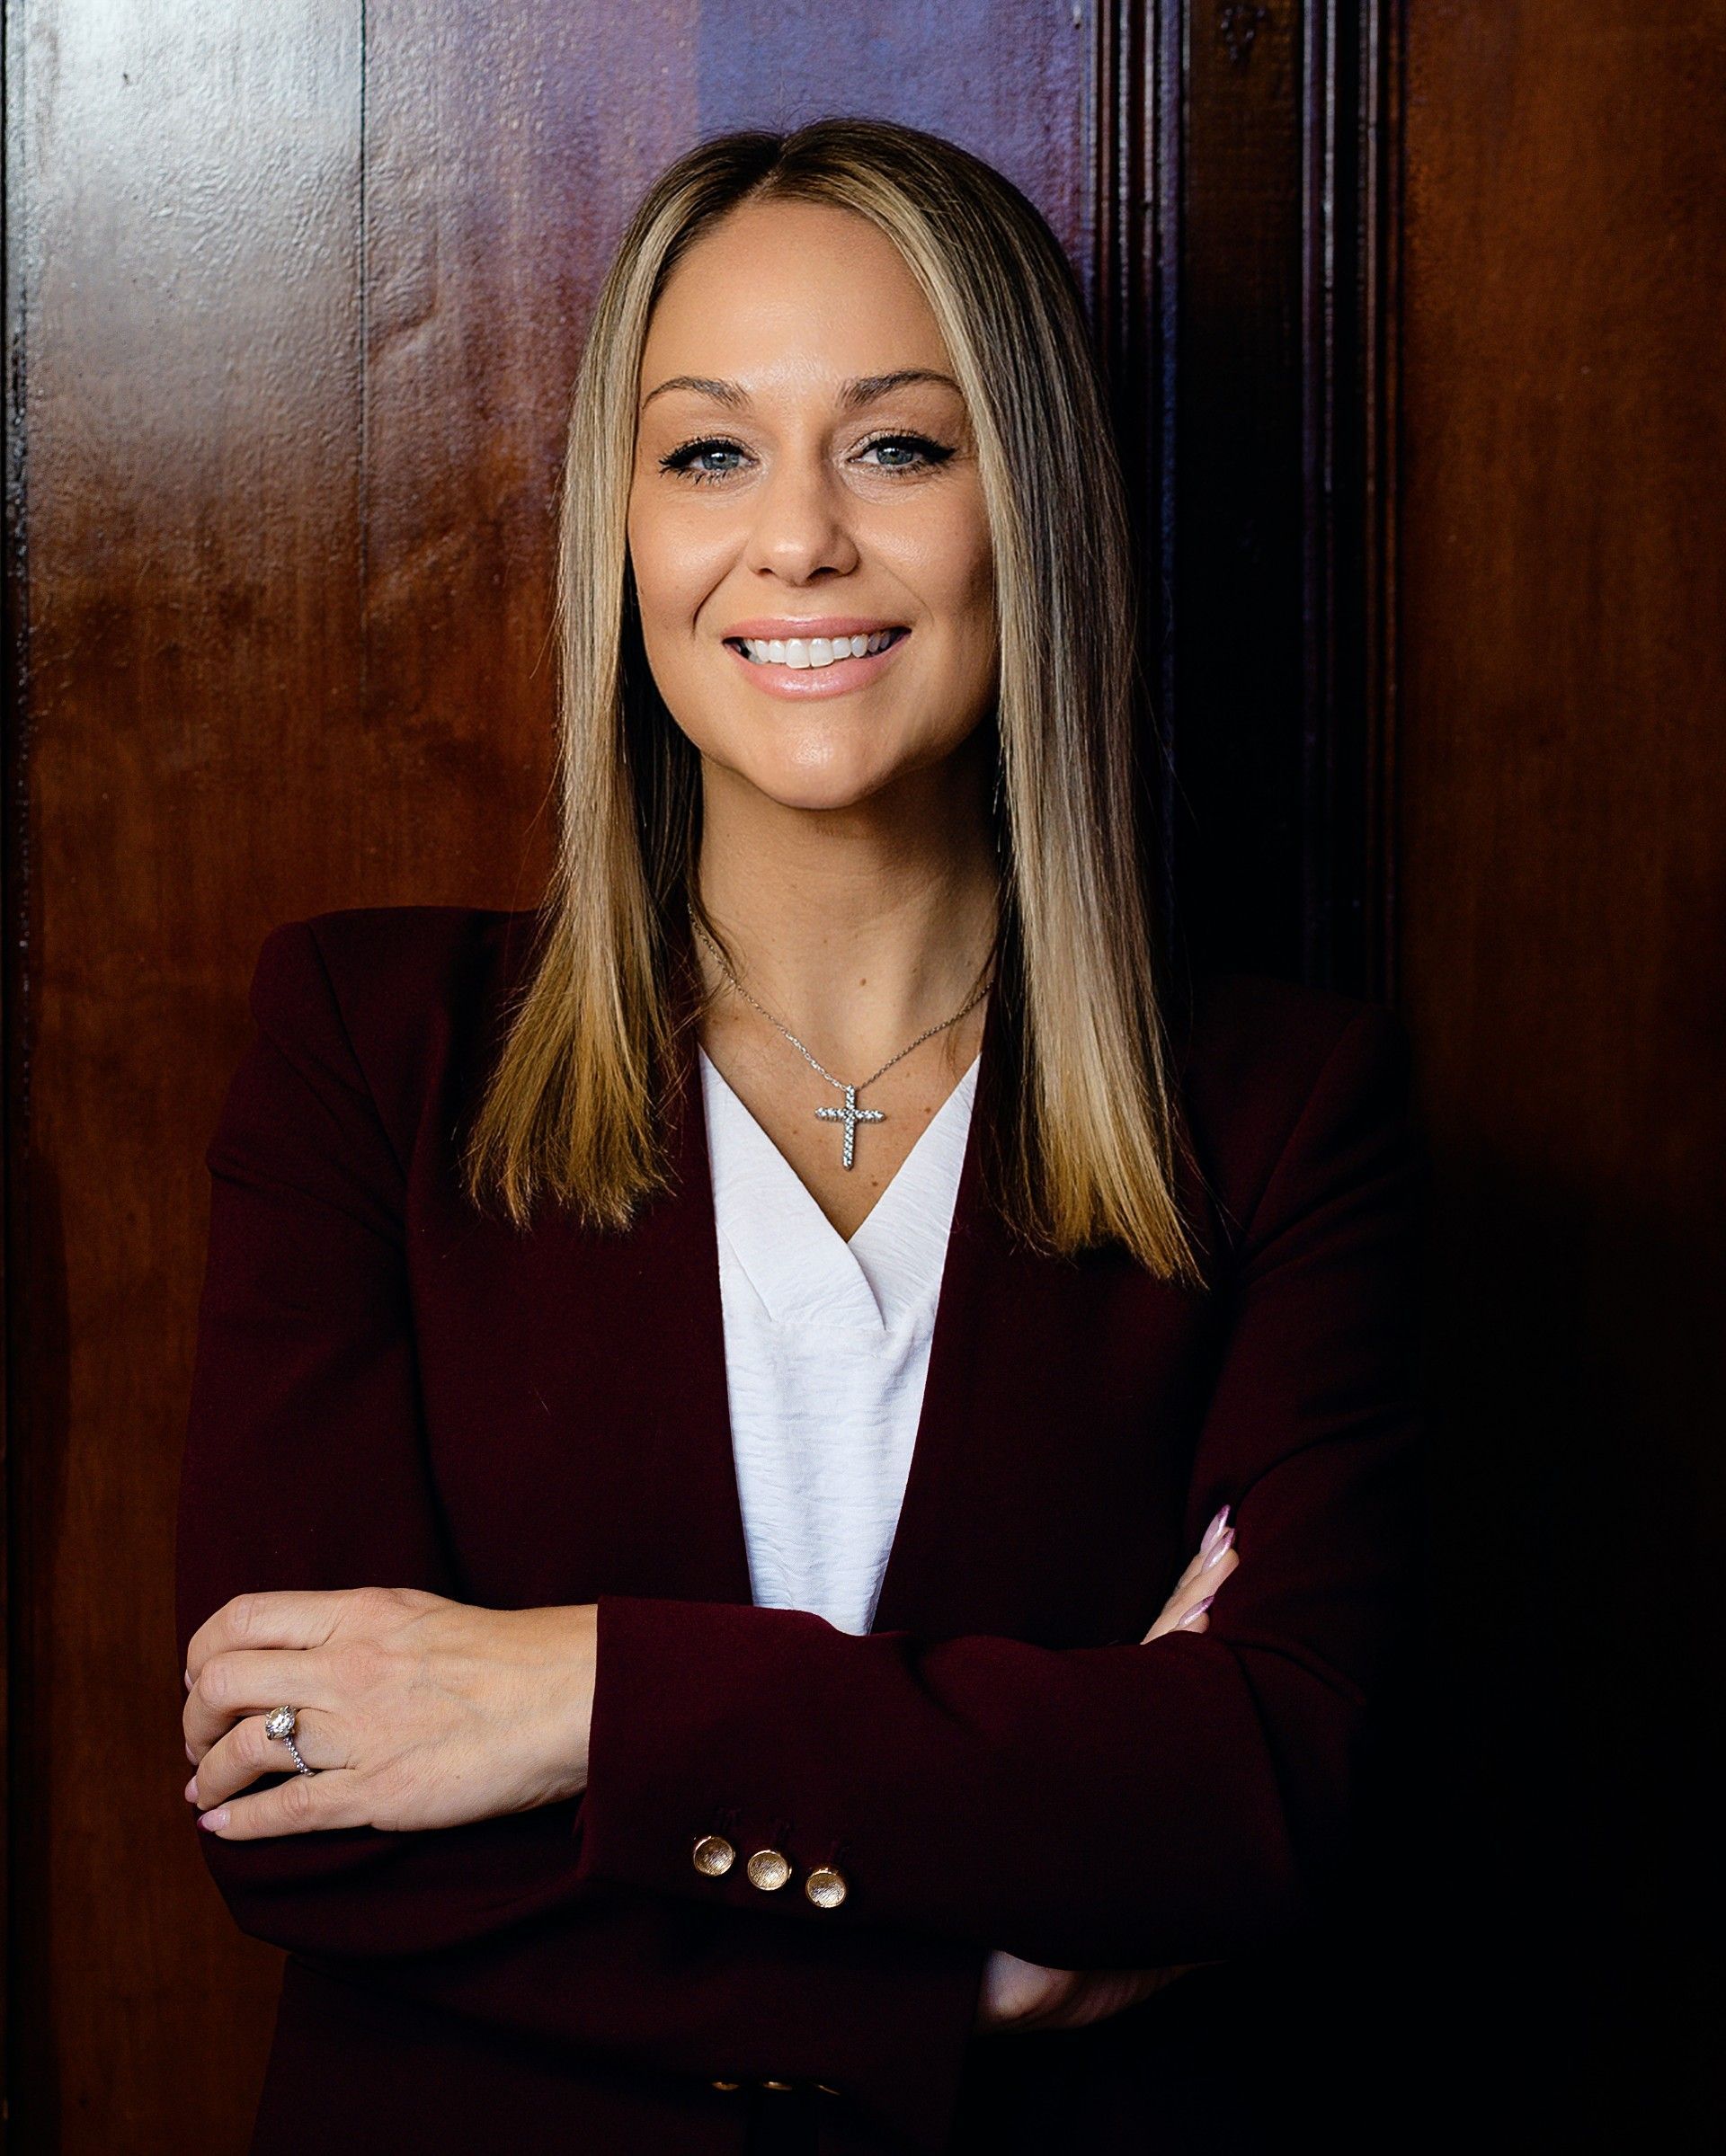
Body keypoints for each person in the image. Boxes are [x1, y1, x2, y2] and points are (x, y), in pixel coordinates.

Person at [175, 117, 1427, 2156]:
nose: (801, 541)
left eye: (901, 447)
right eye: (711, 452)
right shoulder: (368, 1047)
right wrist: (956, 1956)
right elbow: (294, 1805)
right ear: (628, 534)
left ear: (1031, 511)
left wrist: (577, 1698)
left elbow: (1270, 1791)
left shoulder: (1286, 1114)